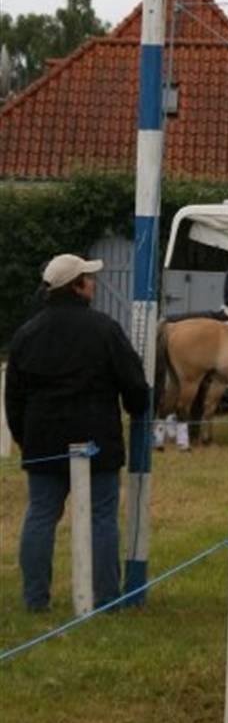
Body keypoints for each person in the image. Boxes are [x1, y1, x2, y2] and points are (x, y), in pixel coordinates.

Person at [5, 253, 148, 612]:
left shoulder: (26, 334)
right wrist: (138, 408)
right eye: (88, 277)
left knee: (41, 516)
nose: (94, 283)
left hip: (43, 442)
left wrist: (25, 439)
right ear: (76, 286)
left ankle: (35, 600)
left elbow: (14, 399)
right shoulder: (104, 329)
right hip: (97, 439)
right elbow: (133, 383)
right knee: (102, 518)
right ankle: (107, 598)